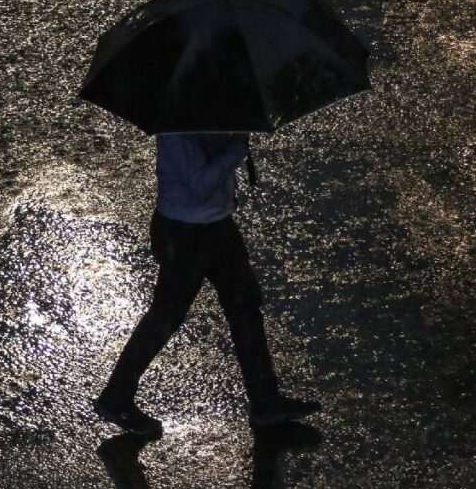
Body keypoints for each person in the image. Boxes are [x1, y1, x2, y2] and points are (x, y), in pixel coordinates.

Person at [94, 132, 320, 435]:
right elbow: (199, 183)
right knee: (166, 317)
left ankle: (265, 400)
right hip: (184, 234)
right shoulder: (177, 127)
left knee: (245, 307)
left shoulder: (209, 112)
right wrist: (236, 150)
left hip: (217, 226)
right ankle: (116, 396)